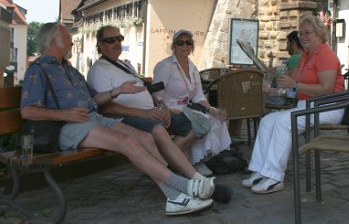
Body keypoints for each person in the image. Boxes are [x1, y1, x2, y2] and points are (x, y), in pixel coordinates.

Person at [20, 22, 215, 216]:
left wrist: (116, 91)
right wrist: (64, 114)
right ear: (54, 41)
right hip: (67, 126)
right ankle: (184, 187)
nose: (72, 43)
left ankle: (174, 197)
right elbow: (27, 111)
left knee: (145, 138)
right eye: (68, 38)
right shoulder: (39, 69)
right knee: (128, 142)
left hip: (92, 118)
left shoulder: (69, 70)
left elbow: (94, 99)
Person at [87, 25, 215, 177]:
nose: (117, 43)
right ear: (101, 45)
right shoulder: (99, 70)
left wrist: (162, 106)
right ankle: (172, 174)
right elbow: (106, 109)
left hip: (151, 112)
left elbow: (147, 91)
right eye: (110, 40)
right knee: (157, 129)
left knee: (194, 124)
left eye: (119, 38)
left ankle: (163, 163)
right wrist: (145, 113)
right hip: (126, 119)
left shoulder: (125, 65)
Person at [242, 15, 345, 194]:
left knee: (284, 122)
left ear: (320, 33)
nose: (303, 37)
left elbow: (326, 89)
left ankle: (274, 177)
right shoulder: (306, 56)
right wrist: (277, 91)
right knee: (267, 121)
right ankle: (260, 170)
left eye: (307, 33)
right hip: (307, 105)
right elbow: (294, 84)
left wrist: (295, 86)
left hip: (329, 106)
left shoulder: (325, 55)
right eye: (301, 33)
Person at [153, 29, 232, 173]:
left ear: (192, 47)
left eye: (188, 43)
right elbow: (156, 95)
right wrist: (167, 109)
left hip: (186, 108)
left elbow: (198, 96)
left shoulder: (193, 67)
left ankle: (200, 159)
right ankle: (177, 161)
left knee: (216, 119)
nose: (184, 46)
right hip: (170, 109)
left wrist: (212, 109)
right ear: (174, 46)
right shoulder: (165, 66)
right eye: (180, 43)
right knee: (200, 122)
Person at [265, 31, 304, 106]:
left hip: (284, 99)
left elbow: (291, 90)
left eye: (288, 44)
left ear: (293, 43)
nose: (286, 48)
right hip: (287, 97)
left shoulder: (295, 58)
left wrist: (274, 91)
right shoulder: (304, 57)